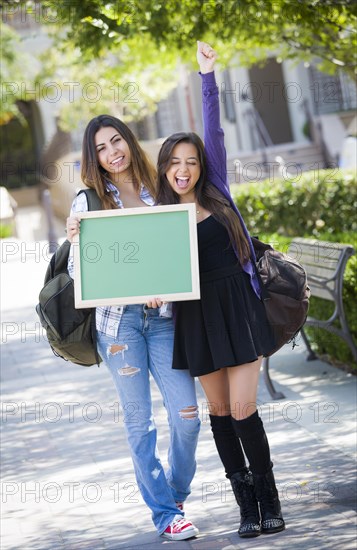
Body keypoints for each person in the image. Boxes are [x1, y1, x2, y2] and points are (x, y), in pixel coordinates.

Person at [155, 41, 285, 538]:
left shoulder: (217, 190)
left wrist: (207, 77)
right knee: (218, 414)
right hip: (195, 315)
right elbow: (152, 269)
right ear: (165, 169)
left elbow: (214, 128)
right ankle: (246, 507)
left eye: (190, 160)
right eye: (174, 163)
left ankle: (270, 499)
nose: (183, 169)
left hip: (237, 305)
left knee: (243, 408)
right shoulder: (162, 216)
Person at [66, 115, 200, 541]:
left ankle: (174, 494)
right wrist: (74, 240)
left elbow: (173, 253)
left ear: (129, 142)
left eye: (117, 141)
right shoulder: (87, 201)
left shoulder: (158, 191)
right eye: (101, 148)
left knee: (188, 417)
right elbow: (79, 270)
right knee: (139, 422)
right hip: (119, 326)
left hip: (161, 322)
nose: (112, 152)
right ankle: (165, 514)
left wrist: (163, 287)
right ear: (94, 157)